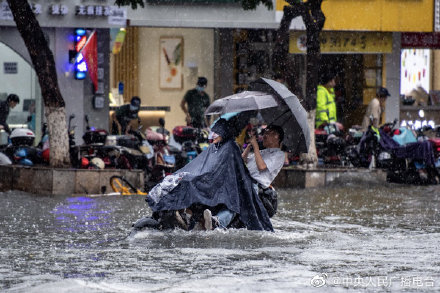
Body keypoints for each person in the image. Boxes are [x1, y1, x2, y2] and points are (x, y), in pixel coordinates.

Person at [210, 124, 285, 229]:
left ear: (276, 136)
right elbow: (242, 160)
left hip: (254, 186)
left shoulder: (279, 155)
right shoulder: (262, 151)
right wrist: (250, 146)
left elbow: (261, 166)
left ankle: (219, 222)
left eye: (267, 133)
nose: (264, 136)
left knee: (236, 200)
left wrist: (255, 147)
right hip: (242, 180)